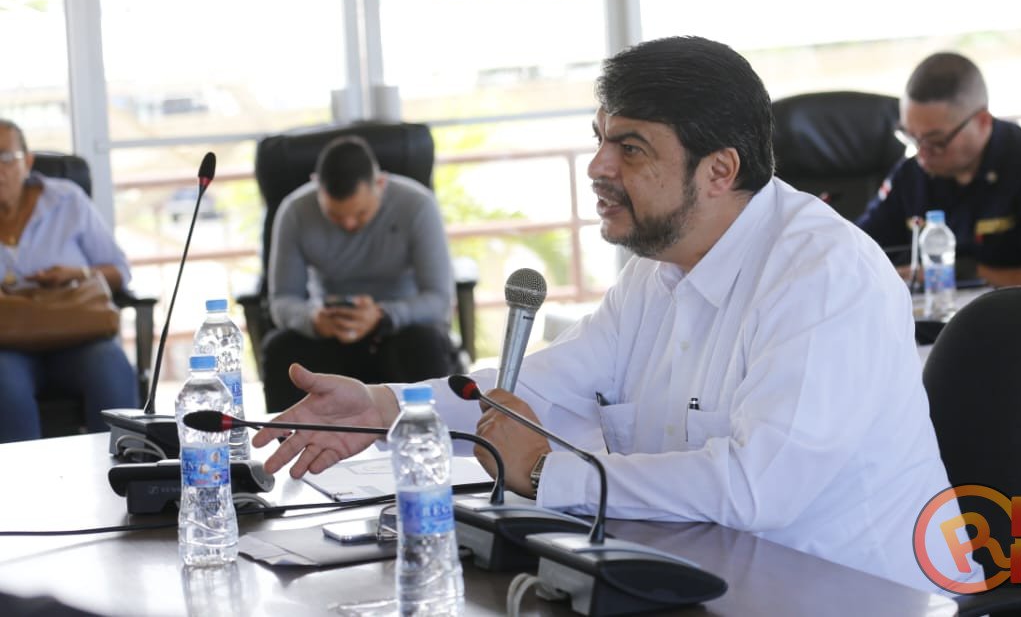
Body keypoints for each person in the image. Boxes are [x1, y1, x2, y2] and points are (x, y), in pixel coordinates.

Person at [254, 37, 977, 595]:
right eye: (599, 137)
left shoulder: (822, 274)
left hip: (865, 593)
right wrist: (383, 406)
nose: (597, 166)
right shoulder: (656, 271)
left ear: (719, 170)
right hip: (714, 580)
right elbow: (538, 389)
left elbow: (757, 487)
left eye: (629, 147)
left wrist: (549, 473)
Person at [856, 52, 1021, 288]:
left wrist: (960, 272)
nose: (922, 153)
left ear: (981, 121)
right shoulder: (911, 175)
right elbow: (857, 251)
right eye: (911, 137)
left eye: (937, 141)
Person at [260, 135, 459, 411]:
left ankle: (428, 429)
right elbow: (282, 300)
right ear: (316, 186)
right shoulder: (295, 211)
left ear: (380, 184)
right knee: (280, 348)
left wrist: (381, 316)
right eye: (335, 216)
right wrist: (314, 320)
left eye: (361, 213)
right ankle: (289, 434)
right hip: (331, 332)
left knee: (422, 345)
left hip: (399, 328)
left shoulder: (418, 205)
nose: (349, 224)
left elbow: (439, 300)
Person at [0, 119, 137, 442]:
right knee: (4, 382)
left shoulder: (67, 199)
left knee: (110, 365)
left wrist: (79, 274)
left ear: (27, 161)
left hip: (77, 337)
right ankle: (18, 474)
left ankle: (123, 466)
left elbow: (120, 270)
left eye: (5, 158)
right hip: (6, 346)